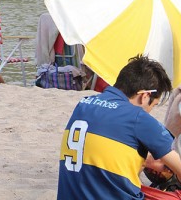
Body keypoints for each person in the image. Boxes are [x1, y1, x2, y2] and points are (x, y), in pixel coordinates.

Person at [57, 55, 181, 198]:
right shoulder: (138, 117)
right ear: (145, 96)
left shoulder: (83, 104)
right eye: (153, 105)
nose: (149, 111)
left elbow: (107, 150)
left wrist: (146, 161)